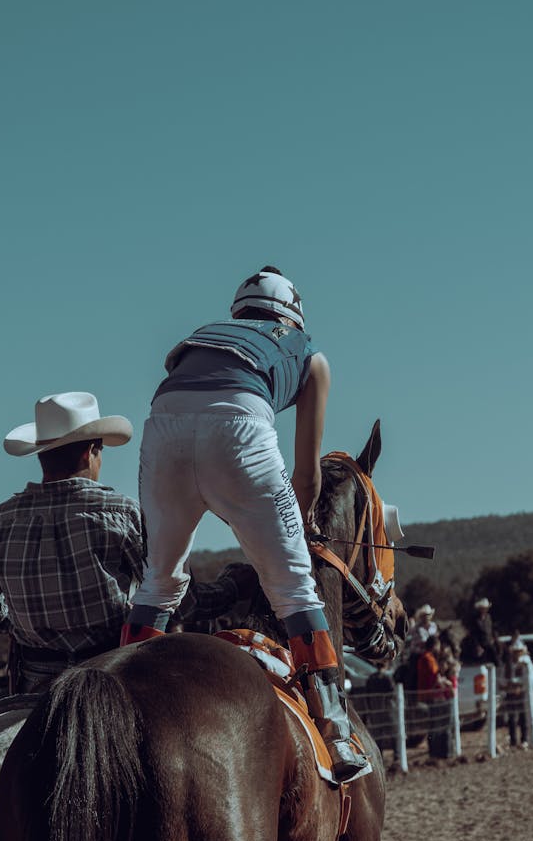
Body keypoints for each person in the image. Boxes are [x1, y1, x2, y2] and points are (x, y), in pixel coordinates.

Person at [122, 265, 369, 782]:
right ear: (294, 314)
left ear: (239, 311)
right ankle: (336, 729)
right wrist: (293, 526)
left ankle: (122, 697)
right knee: (295, 589)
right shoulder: (309, 353)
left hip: (162, 427)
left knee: (159, 580)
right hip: (239, 432)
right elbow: (307, 473)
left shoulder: (201, 338)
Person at [0, 391, 144, 693]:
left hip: (36, 680)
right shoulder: (123, 511)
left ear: (41, 455)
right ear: (89, 452)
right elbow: (172, 593)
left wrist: (30, 627)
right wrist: (230, 589)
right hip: (113, 673)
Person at [460, 595, 501, 666]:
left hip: (490, 641)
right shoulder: (475, 620)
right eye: (482, 608)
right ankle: (498, 665)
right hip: (481, 643)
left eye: (485, 608)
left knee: (499, 649)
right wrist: (478, 645)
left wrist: (495, 639)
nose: (484, 610)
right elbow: (473, 634)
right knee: (492, 651)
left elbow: (492, 629)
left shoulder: (488, 617)